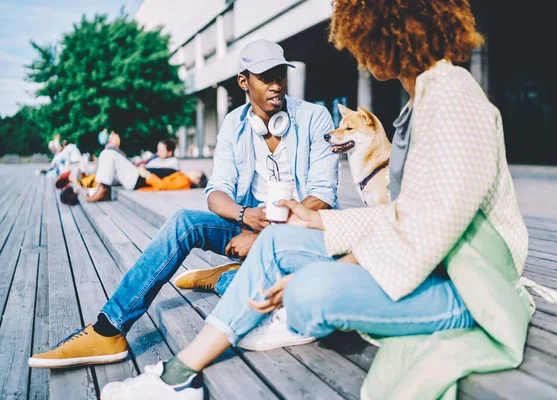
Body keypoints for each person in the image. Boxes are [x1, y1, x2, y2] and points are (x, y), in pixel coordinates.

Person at [66, 1, 534, 398]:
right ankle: (176, 376)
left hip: (472, 290)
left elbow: (428, 233)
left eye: (360, 38)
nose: (357, 50)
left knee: (309, 293)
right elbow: (403, 215)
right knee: (274, 247)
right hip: (429, 263)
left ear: (384, 31)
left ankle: (266, 300)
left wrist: (332, 259)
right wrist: (312, 226)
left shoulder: (452, 97)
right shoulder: (423, 98)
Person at [29, 39, 338, 377]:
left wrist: (267, 238)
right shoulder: (234, 125)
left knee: (267, 290)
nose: (277, 85)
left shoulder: (314, 118)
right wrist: (244, 217)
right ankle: (109, 330)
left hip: (301, 231)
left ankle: (228, 277)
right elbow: (216, 192)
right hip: (251, 224)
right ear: (243, 81)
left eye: (281, 75)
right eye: (266, 77)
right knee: (183, 222)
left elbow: (322, 194)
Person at [86, 138, 181, 202]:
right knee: (107, 157)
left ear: (170, 152)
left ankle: (104, 190)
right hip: (136, 176)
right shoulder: (158, 159)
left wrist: (145, 170)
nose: (158, 152)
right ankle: (100, 188)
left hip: (138, 179)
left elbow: (163, 173)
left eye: (161, 150)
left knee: (109, 153)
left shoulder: (173, 162)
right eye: (158, 149)